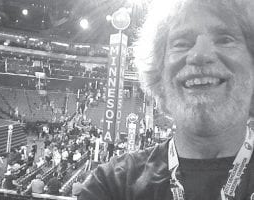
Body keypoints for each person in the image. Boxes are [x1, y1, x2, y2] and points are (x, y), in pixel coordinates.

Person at [79, 0, 254, 200]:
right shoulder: (111, 185)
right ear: (159, 75)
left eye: (225, 39)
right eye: (181, 43)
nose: (199, 54)